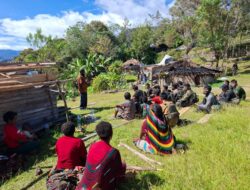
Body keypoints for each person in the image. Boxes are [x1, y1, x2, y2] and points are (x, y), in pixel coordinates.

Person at [76, 121, 126, 190]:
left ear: (98, 134)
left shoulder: (92, 146)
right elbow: (118, 172)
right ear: (111, 134)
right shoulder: (114, 152)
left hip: (85, 186)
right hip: (100, 186)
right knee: (123, 165)